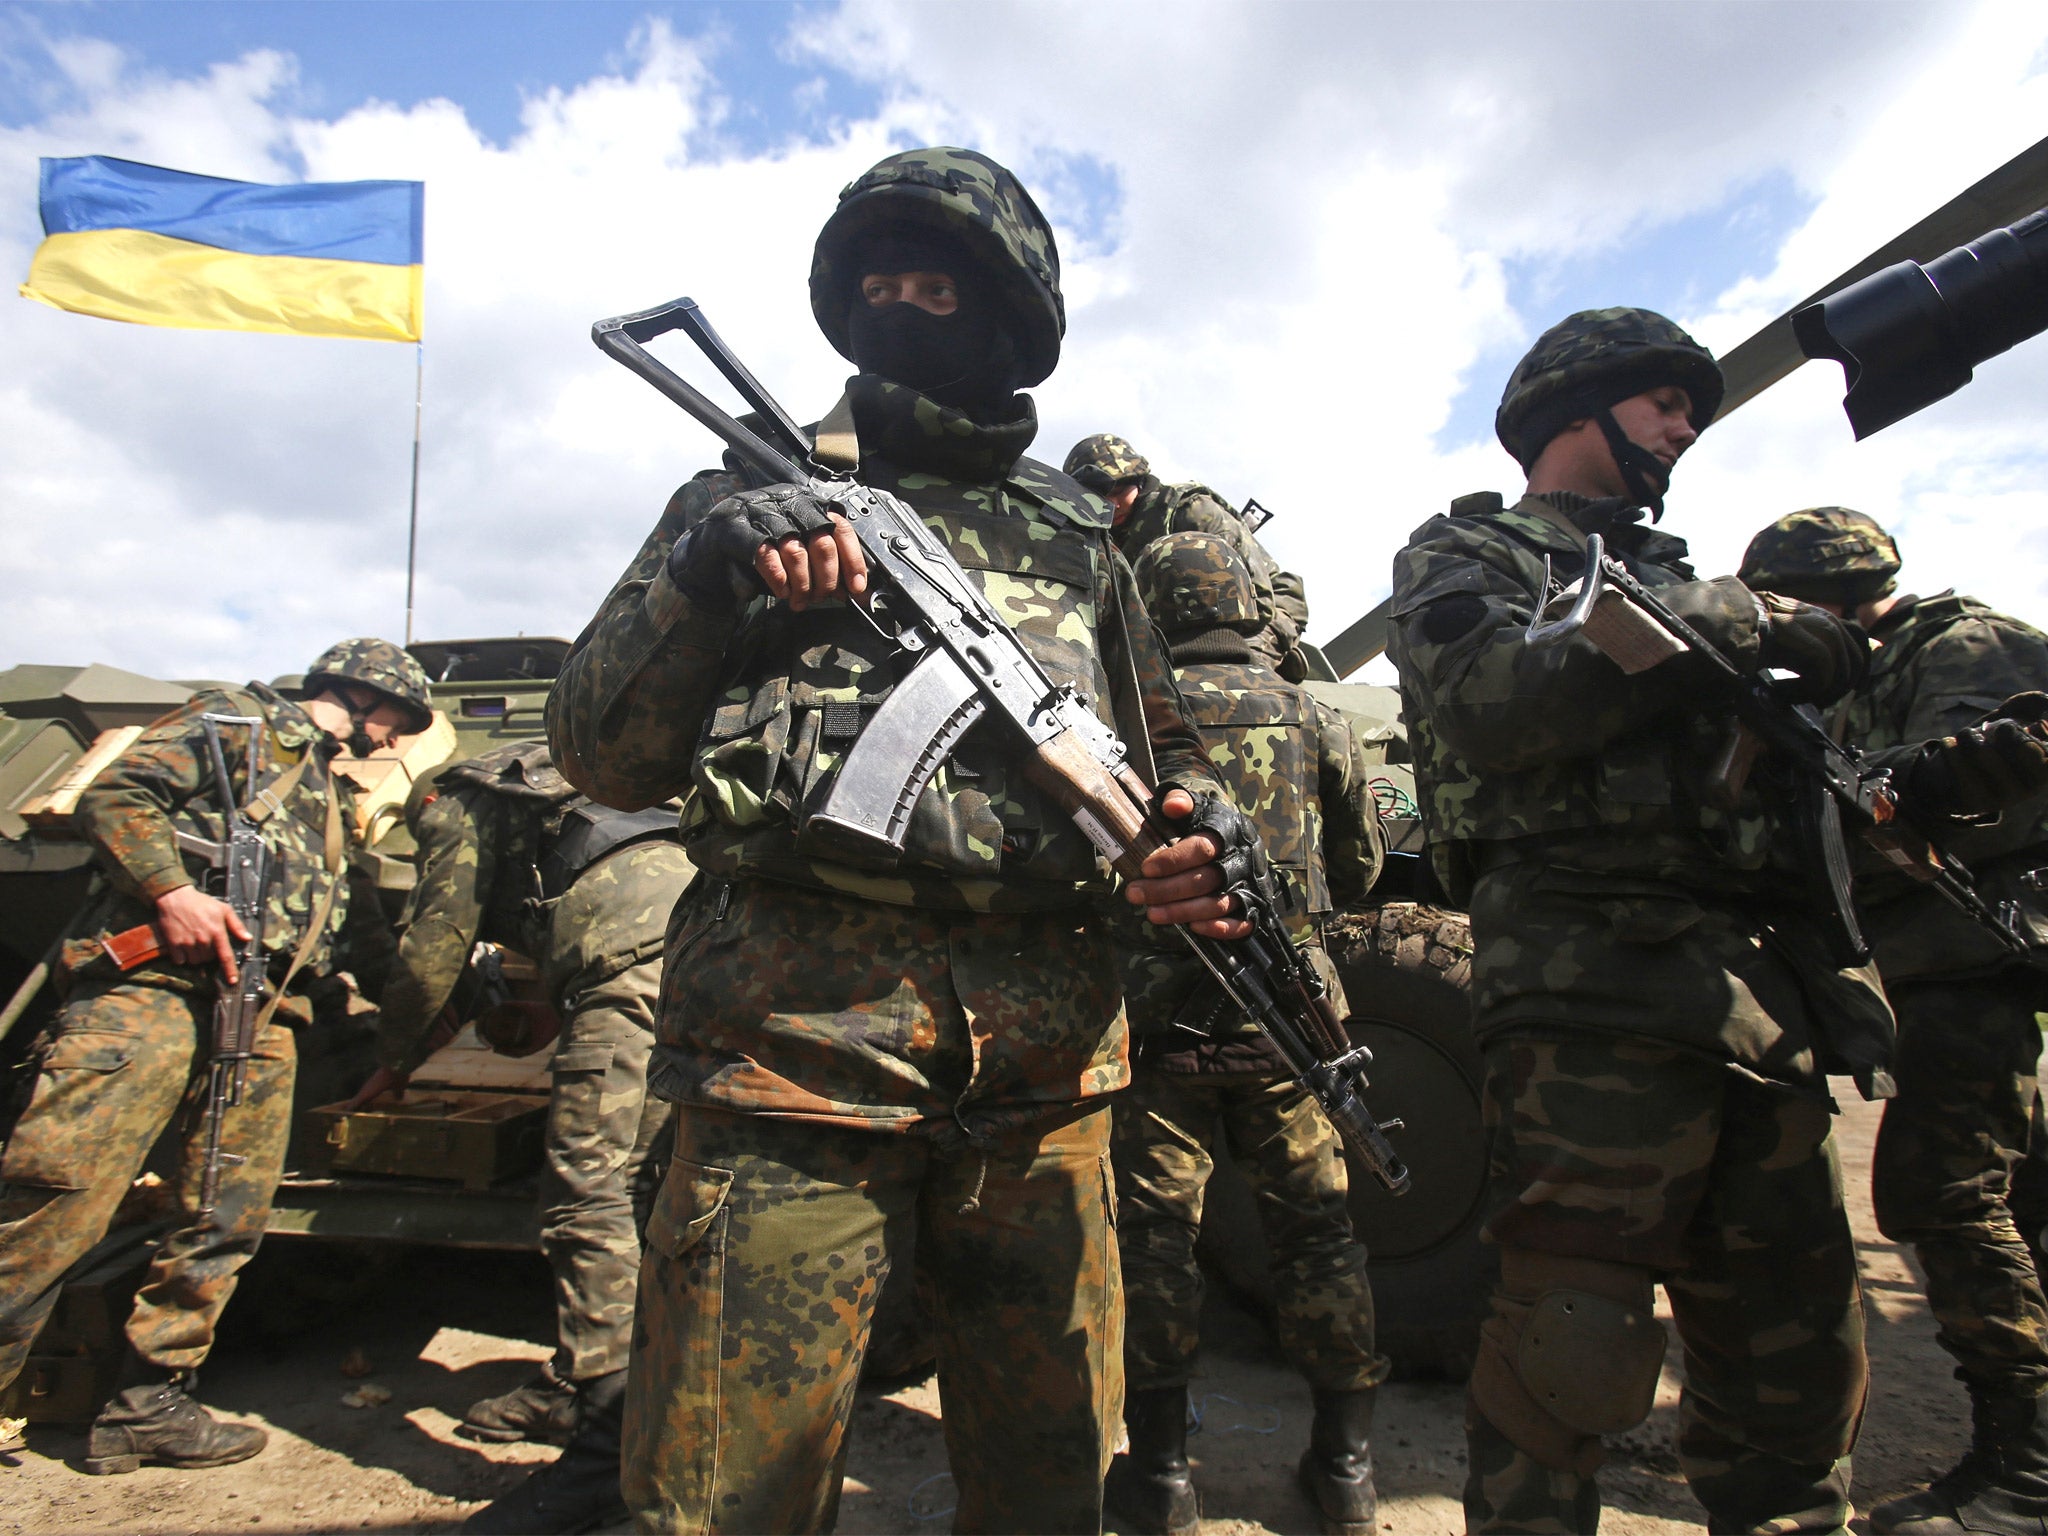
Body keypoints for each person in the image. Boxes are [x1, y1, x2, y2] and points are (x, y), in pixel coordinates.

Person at [546, 145, 1246, 1534]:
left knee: (1051, 1485)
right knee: (724, 1497)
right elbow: (599, 752)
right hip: (792, 1068)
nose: (903, 305)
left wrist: (1199, 836)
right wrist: (705, 573)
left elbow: (1171, 763)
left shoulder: (1076, 539)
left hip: (1048, 1089)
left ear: (1007, 316)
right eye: (880, 282)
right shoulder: (741, 500)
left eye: (938, 283)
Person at [1387, 308, 1898, 1533]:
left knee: (1795, 1361)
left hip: (1750, 1002)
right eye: (1663, 404)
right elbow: (1493, 705)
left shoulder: (1676, 580)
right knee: (1571, 1354)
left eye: (1688, 410)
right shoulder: (1471, 554)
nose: (1681, 429)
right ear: (1578, 407)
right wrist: (1730, 626)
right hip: (1589, 998)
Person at [0, 639, 426, 1471]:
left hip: (263, 1021)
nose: (394, 743)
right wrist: (171, 891)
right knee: (57, 1199)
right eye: (399, 723)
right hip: (153, 998)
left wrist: (435, 1015)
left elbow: (363, 935)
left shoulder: (331, 804)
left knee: (224, 1213)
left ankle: (148, 1403)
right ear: (367, 698)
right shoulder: (237, 724)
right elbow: (119, 793)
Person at [1741, 507, 2048, 1536]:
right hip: (1937, 970)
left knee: (1940, 1194)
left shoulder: (1967, 646)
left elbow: (1970, 801)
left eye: (1783, 610)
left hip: (1979, 967)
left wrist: (1850, 807)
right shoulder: (1868, 677)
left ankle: (2024, 1474)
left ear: (1827, 595)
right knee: (2008, 1193)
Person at [1106, 531, 1387, 1536]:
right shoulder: (1311, 711)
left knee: (1151, 1245)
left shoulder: (1125, 722)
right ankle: (1346, 1469)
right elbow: (1357, 870)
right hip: (1291, 1028)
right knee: (1316, 1235)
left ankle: (1164, 1479)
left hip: (1155, 1031)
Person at [341, 739, 692, 1533]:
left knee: (591, 1196)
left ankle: (607, 1456)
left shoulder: (457, 801)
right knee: (660, 1187)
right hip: (713, 955)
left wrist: (395, 1059)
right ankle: (589, 1385)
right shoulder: (580, 783)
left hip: (632, 969)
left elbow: (434, 947)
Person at [1064, 432, 1311, 678]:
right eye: (1101, 497)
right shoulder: (1095, 539)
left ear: (1138, 480)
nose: (1113, 503)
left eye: (1120, 491)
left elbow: (1261, 602)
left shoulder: (1190, 511)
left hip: (1262, 612)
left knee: (1231, 676)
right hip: (1180, 623)